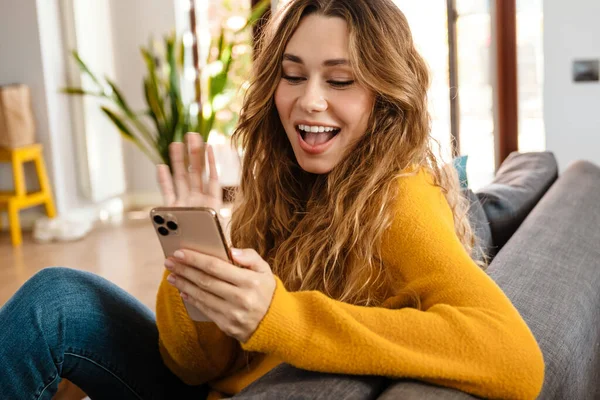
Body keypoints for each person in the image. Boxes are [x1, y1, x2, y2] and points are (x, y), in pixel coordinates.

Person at [0, 0, 545, 399]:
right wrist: (195, 263)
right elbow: (196, 366)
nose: (309, 101)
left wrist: (282, 315)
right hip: (205, 386)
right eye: (292, 75)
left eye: (340, 80)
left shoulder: (399, 200)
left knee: (51, 307)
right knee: (56, 297)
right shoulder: (287, 185)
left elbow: (515, 357)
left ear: (384, 97)